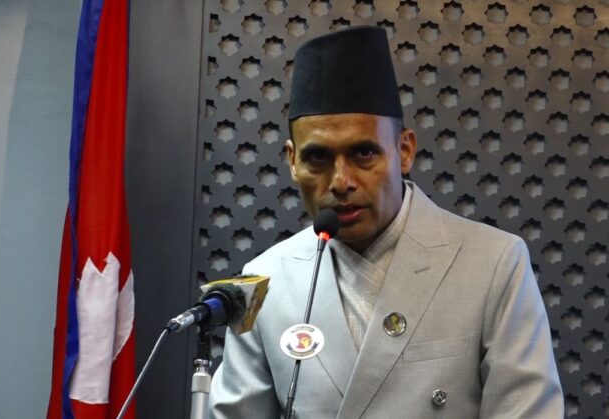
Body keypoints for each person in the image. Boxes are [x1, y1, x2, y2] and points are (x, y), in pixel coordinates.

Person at [209, 26, 563, 418]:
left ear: (404, 150)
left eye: (363, 153)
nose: (341, 181)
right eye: (318, 158)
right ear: (292, 161)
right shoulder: (265, 281)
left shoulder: (493, 264)